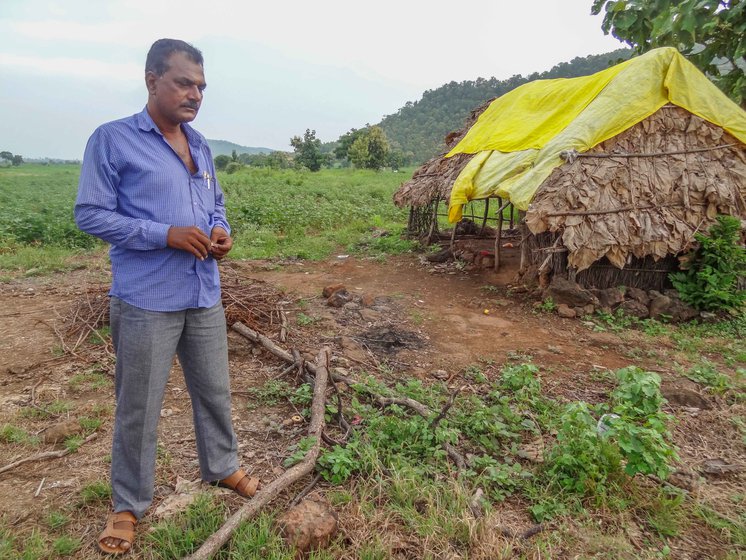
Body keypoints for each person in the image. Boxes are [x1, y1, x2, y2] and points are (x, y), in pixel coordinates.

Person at [75, 38, 258, 555]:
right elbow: (90, 214)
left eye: (201, 86)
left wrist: (220, 230)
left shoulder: (199, 144)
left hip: (202, 291)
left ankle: (222, 467)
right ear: (152, 79)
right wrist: (165, 233)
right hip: (146, 298)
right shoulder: (112, 140)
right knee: (139, 406)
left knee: (214, 391)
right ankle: (128, 504)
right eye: (184, 82)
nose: (194, 94)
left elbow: (215, 202)